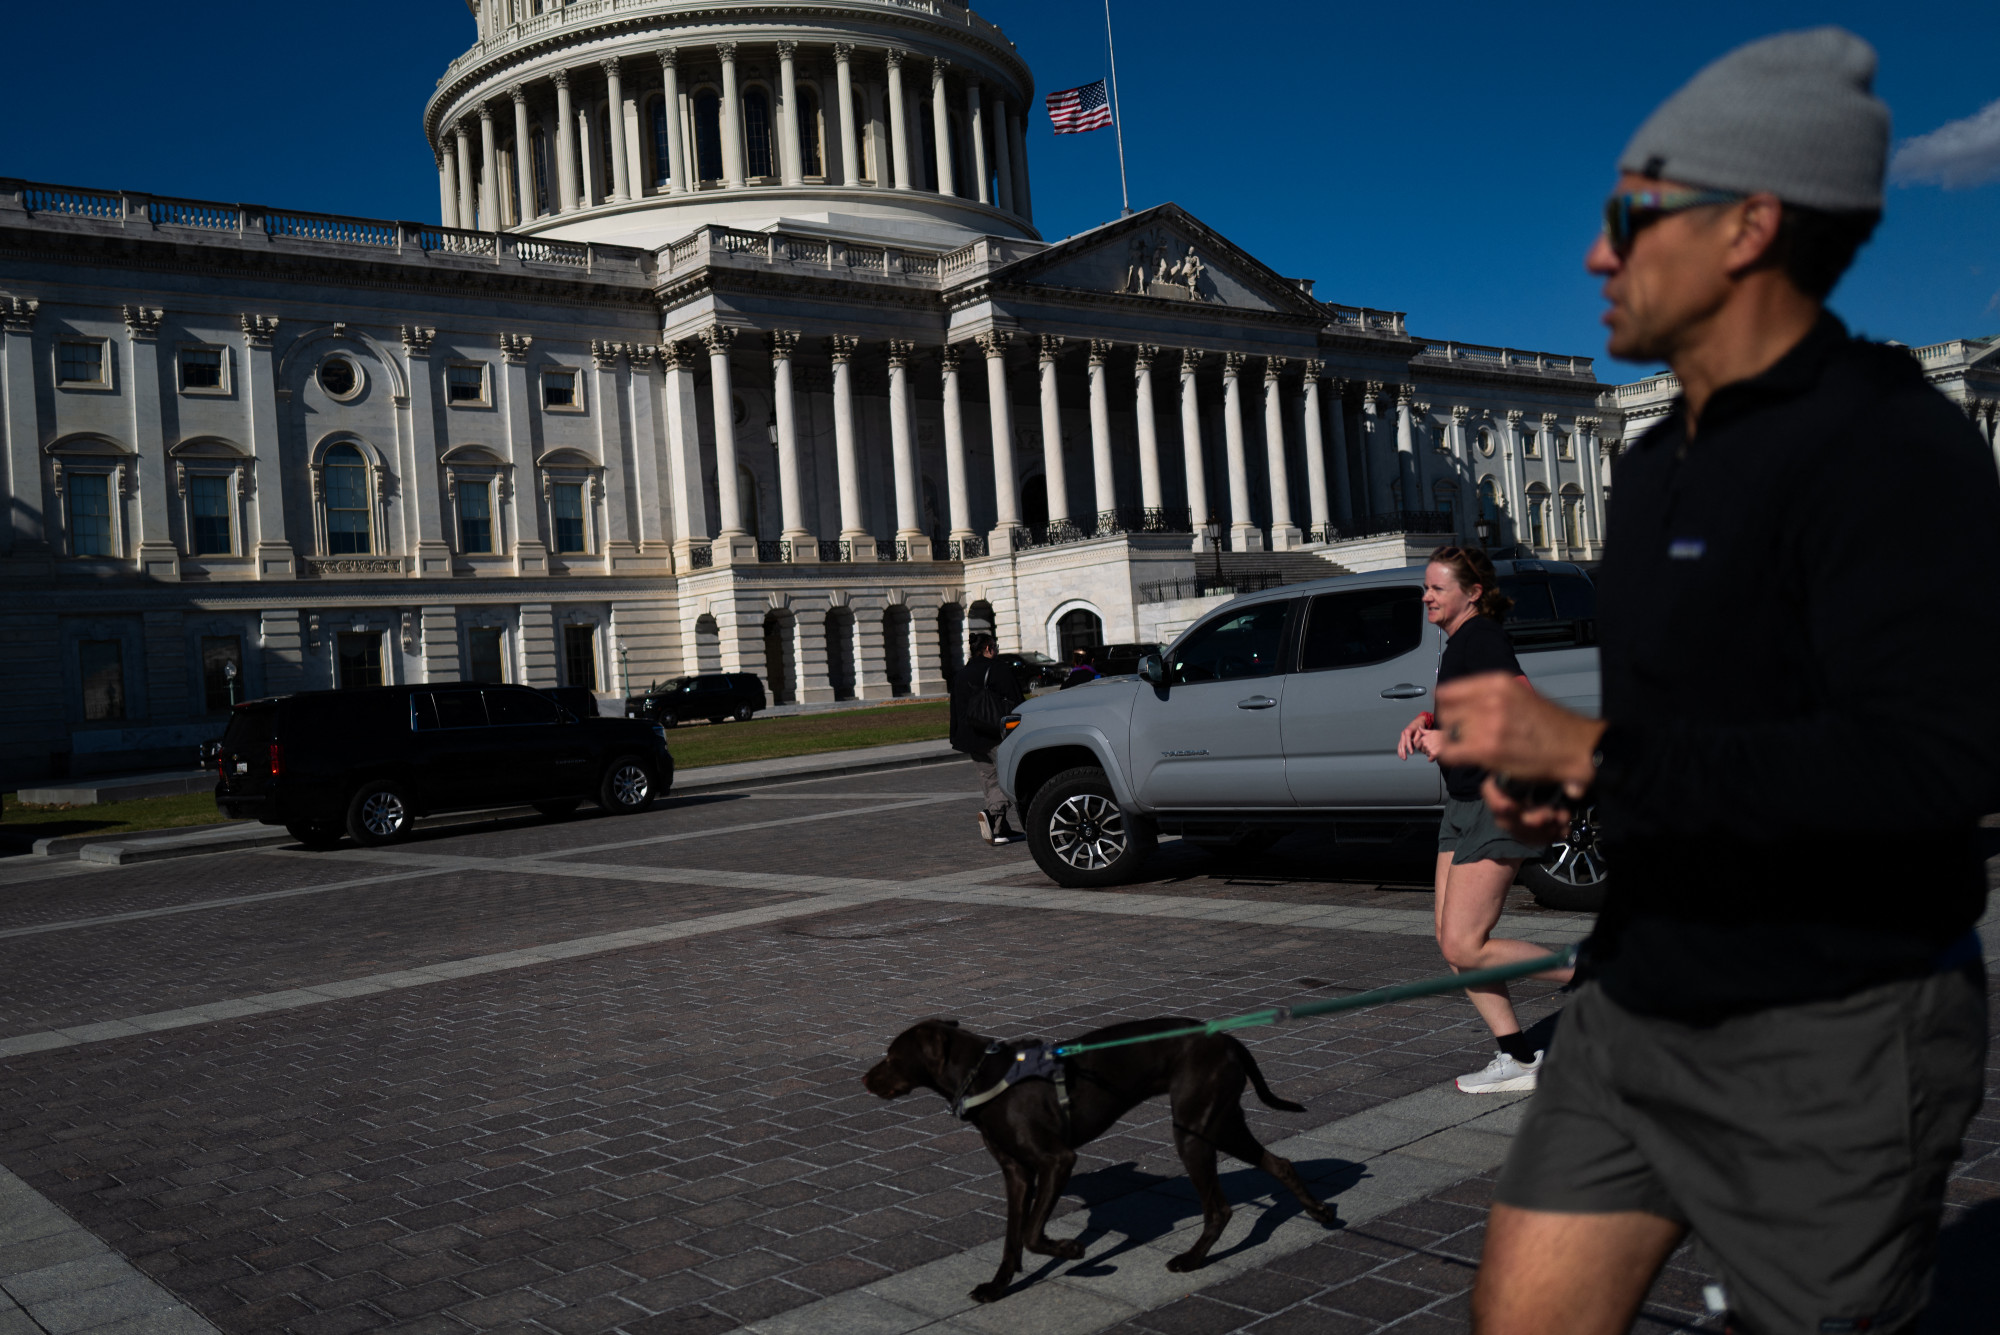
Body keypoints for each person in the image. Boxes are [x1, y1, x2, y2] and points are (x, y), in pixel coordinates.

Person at [1432, 28, 2000, 1335]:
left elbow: (1938, 761)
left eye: (1631, 215)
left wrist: (1595, 755)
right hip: (1639, 991)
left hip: (1833, 1022)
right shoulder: (1651, 464)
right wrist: (1559, 799)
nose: (1595, 252)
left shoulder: (1890, 446)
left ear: (1748, 226)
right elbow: (1684, 736)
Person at [1397, 546, 1573, 1093]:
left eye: (1437, 589)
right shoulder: (1461, 643)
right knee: (1453, 944)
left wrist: (1450, 738)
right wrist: (1429, 719)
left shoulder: (1485, 638)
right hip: (1464, 801)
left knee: (1465, 944)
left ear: (1471, 594)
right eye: (1425, 588)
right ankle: (1519, 1059)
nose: (1426, 596)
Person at [950, 633, 1026, 845]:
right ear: (988, 648)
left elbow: (955, 708)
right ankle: (993, 816)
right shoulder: (999, 669)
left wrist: (956, 735)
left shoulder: (962, 674)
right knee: (1015, 777)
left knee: (990, 780)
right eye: (996, 646)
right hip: (997, 734)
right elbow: (1017, 702)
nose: (997, 650)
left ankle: (1000, 830)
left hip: (973, 737)